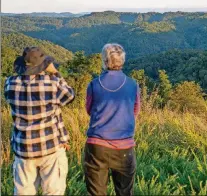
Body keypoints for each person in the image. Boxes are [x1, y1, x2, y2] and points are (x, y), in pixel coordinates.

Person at [4, 47, 75, 195]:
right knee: (53, 191)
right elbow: (70, 95)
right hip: (49, 146)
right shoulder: (52, 83)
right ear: (43, 65)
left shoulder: (9, 84)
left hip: (23, 148)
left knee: (24, 192)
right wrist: (55, 72)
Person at [84, 43, 141, 196]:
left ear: (104, 60)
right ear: (122, 60)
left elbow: (89, 110)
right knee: (125, 192)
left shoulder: (94, 84)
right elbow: (135, 111)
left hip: (97, 147)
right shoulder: (133, 85)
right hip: (124, 147)